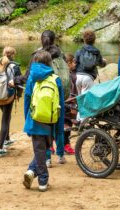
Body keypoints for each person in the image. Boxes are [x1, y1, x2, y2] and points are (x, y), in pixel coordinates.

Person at [19, 30, 68, 165]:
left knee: (43, 129)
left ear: (41, 40)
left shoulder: (36, 56)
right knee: (58, 126)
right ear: (54, 40)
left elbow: (27, 78)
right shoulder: (60, 54)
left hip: (40, 103)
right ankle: (60, 155)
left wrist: (16, 80)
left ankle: (47, 157)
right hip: (57, 96)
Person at [22, 50, 65, 192]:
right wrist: (59, 128)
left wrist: (26, 121)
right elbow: (61, 105)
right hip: (50, 121)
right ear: (49, 63)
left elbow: (27, 100)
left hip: (35, 119)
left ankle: (33, 172)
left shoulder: (31, 78)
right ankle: (42, 179)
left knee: (40, 149)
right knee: (43, 148)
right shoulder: (55, 79)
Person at [0, 46, 21, 158]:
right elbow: (19, 82)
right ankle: (0, 148)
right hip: (7, 97)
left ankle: (7, 139)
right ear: (13, 55)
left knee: (6, 116)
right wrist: (18, 95)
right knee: (5, 120)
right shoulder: (14, 66)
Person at [74, 29, 106, 95]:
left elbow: (75, 63)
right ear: (94, 40)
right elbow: (101, 64)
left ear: (84, 39)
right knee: (86, 99)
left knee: (79, 99)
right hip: (88, 78)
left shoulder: (79, 51)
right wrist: (104, 62)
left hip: (78, 77)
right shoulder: (96, 52)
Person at [63, 53, 78, 156]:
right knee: (64, 123)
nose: (75, 64)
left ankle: (66, 144)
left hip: (72, 101)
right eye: (73, 62)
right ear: (68, 63)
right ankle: (63, 145)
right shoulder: (65, 75)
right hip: (67, 102)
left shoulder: (73, 72)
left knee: (69, 124)